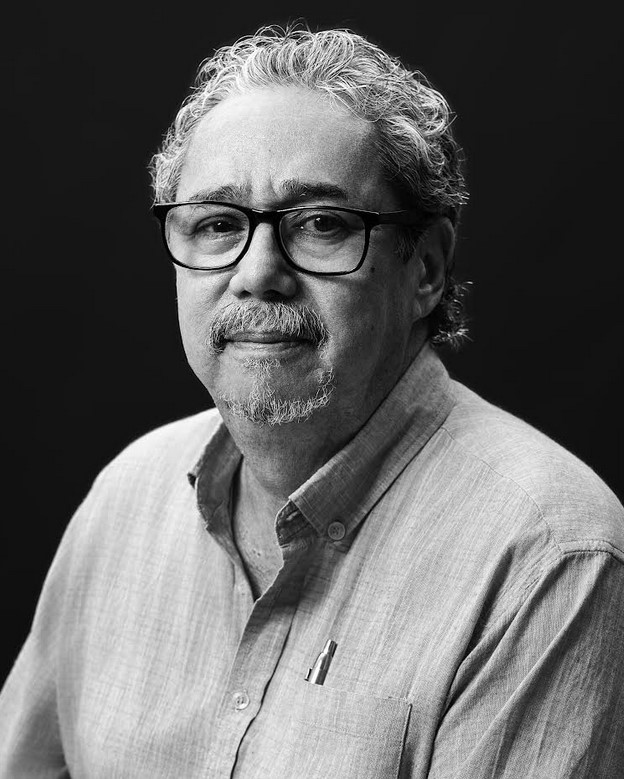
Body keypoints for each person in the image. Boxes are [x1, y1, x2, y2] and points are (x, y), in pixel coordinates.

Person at [1, 23, 623, 779]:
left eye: (321, 224)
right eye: (217, 224)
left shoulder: (549, 559)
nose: (257, 273)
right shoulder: (125, 498)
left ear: (426, 268)